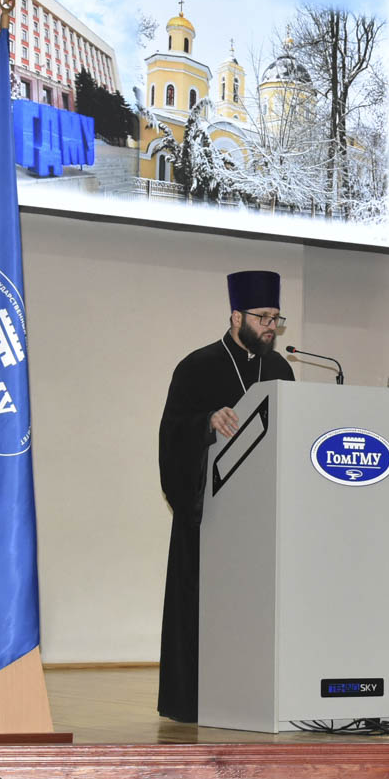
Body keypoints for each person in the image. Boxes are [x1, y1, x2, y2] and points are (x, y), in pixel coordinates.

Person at [156, 270, 295, 722]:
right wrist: (206, 424)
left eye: (276, 318)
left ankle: (256, 695)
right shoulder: (196, 367)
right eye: (263, 317)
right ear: (236, 317)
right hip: (210, 517)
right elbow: (171, 435)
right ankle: (194, 701)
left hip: (263, 520)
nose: (271, 327)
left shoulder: (280, 371)